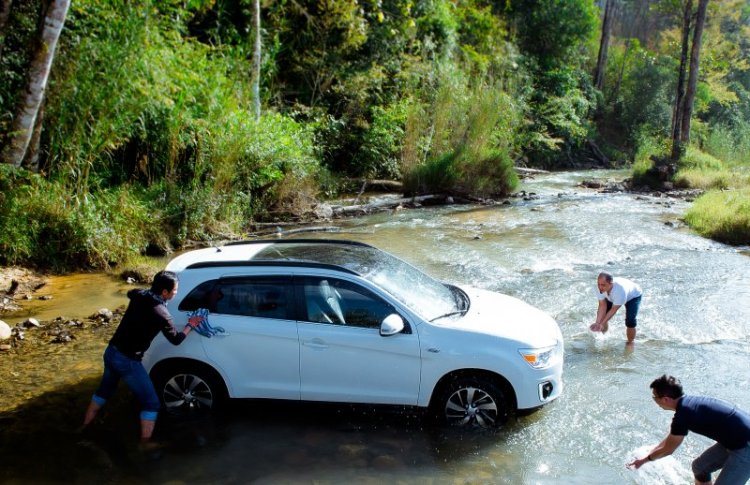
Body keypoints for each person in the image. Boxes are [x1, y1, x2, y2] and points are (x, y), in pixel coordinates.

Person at [82, 270, 202, 447]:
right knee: (152, 403)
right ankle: (144, 443)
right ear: (164, 292)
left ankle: (85, 426)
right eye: (174, 290)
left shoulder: (139, 295)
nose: (176, 292)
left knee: (104, 392)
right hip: (128, 361)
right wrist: (191, 325)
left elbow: (131, 292)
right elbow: (176, 339)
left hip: (111, 352)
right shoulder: (161, 313)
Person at [627, 375, 750, 484]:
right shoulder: (688, 405)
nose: (654, 400)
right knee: (700, 467)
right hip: (736, 441)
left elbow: (668, 450)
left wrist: (643, 461)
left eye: (655, 397)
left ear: (665, 399)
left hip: (745, 447)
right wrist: (651, 451)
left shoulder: (684, 415)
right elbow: (670, 439)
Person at [590, 272, 642, 343]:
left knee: (630, 320)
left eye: (603, 285)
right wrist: (597, 322)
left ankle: (630, 342)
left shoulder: (620, 291)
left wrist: (602, 324)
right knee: (603, 317)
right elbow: (602, 305)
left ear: (611, 284)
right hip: (615, 294)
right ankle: (603, 335)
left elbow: (613, 310)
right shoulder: (599, 287)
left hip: (633, 296)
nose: (600, 287)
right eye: (598, 284)